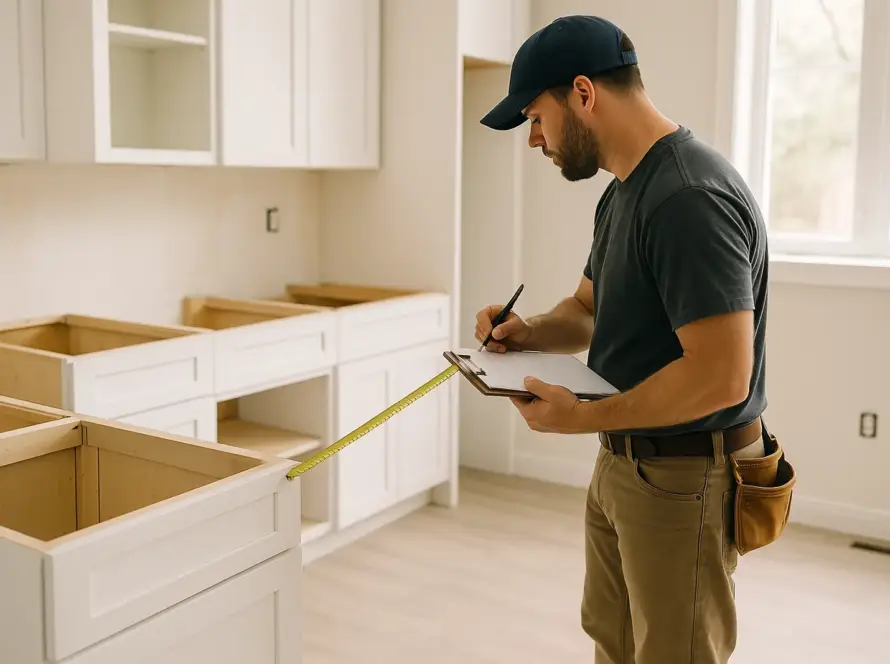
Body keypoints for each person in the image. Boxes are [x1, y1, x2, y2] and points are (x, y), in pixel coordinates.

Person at [475, 14, 770, 664]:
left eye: (535, 117)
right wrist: (528, 333)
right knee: (614, 643)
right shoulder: (626, 193)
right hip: (626, 465)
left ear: (583, 93)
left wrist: (581, 417)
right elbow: (587, 310)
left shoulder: (687, 199)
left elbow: (723, 377)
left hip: (681, 479)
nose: (534, 139)